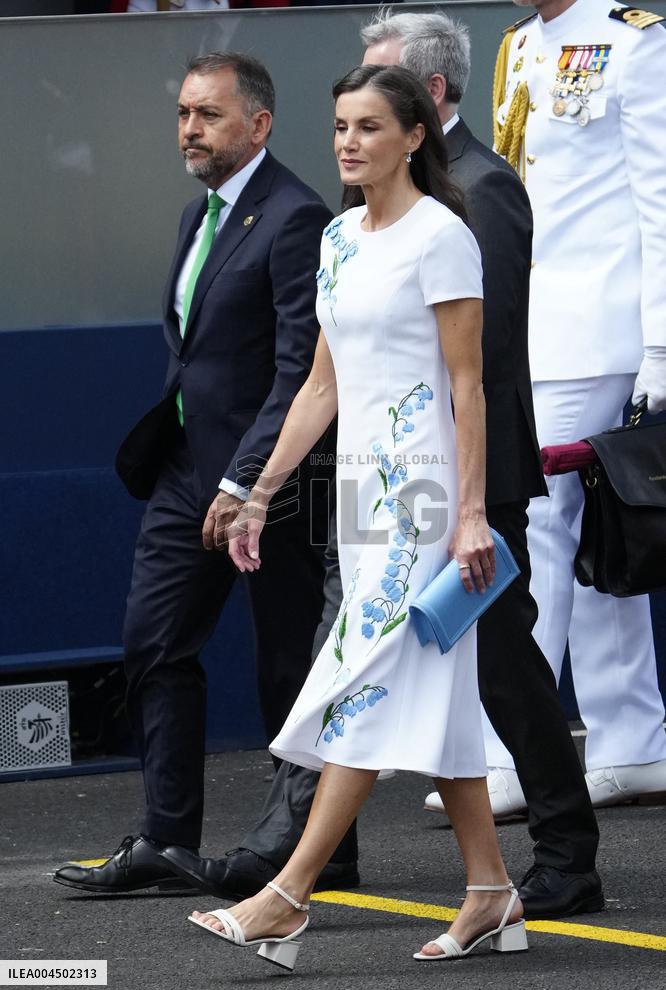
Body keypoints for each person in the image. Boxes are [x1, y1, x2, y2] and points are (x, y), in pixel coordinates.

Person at [162, 9, 602, 920]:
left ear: (418, 119)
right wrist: (259, 491)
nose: (350, 139)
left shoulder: (461, 216)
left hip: (440, 485)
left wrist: (473, 507)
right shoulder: (336, 237)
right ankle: (490, 888)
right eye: (341, 124)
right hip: (363, 486)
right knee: (442, 681)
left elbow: (476, 375)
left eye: (370, 119)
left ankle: (286, 889)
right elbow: (320, 383)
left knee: (386, 672)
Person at [53, 52, 335, 895]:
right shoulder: (196, 215)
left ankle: (312, 848)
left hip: (272, 482)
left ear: (259, 124)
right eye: (183, 112)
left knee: (290, 663)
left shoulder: (296, 218)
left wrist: (249, 478)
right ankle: (166, 840)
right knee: (153, 641)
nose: (189, 128)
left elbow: (298, 370)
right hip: (185, 473)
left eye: (208, 115)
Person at [490, 0, 666, 812]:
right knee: (599, 541)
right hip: (534, 322)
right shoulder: (520, 45)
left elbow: (660, 201)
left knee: (543, 533)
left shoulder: (634, 42)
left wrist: (660, 343)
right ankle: (631, 741)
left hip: (599, 324)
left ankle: (513, 755)